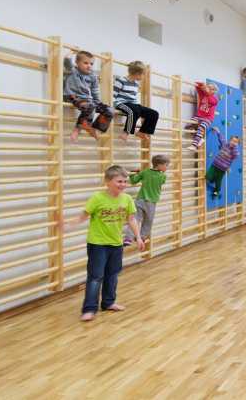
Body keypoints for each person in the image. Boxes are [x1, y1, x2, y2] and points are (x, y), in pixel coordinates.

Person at [61, 165, 144, 322]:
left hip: (116, 243)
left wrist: (138, 237)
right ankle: (89, 309)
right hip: (97, 244)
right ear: (107, 181)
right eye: (119, 181)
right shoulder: (97, 198)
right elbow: (83, 217)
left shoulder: (126, 199)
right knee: (95, 276)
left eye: (125, 181)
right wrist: (69, 225)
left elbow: (131, 219)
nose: (123, 184)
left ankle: (108, 302)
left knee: (112, 275)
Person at [64, 50, 113, 142]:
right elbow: (66, 60)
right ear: (77, 63)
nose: (89, 65)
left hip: (88, 99)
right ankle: (77, 129)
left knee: (109, 110)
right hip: (72, 95)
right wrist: (72, 52)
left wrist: (97, 101)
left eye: (91, 63)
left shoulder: (93, 76)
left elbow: (95, 91)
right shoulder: (73, 70)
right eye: (85, 63)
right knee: (89, 106)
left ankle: (95, 128)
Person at [124, 154, 169, 246]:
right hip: (151, 203)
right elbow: (162, 180)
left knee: (135, 219)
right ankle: (142, 237)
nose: (167, 167)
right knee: (148, 221)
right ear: (159, 165)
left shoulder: (145, 172)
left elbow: (133, 181)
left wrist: (134, 174)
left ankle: (128, 238)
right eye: (166, 165)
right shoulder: (162, 176)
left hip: (139, 200)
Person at [113, 60, 160, 142]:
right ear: (137, 73)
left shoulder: (136, 84)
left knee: (154, 113)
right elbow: (113, 95)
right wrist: (112, 107)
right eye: (143, 74)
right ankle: (126, 132)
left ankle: (142, 132)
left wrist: (142, 112)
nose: (144, 76)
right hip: (121, 103)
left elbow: (133, 98)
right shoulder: (120, 80)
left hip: (133, 104)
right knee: (134, 111)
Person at [206, 128, 240, 199]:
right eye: (232, 140)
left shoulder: (234, 151)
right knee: (208, 177)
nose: (233, 142)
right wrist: (218, 132)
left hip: (222, 170)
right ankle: (212, 180)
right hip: (215, 165)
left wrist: (235, 146)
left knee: (218, 182)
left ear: (237, 144)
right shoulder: (225, 144)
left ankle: (216, 192)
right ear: (230, 140)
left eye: (236, 142)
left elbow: (236, 155)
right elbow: (221, 139)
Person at [190, 81, 219, 150]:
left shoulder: (215, 99)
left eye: (211, 89)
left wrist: (205, 88)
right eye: (208, 87)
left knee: (201, 127)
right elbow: (198, 88)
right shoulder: (203, 95)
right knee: (189, 126)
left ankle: (194, 145)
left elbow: (210, 98)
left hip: (208, 118)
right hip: (198, 116)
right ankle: (199, 140)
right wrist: (200, 85)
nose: (208, 89)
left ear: (214, 91)